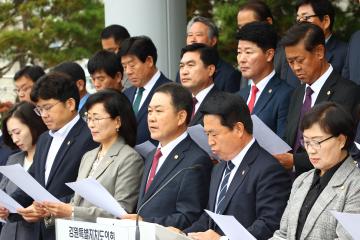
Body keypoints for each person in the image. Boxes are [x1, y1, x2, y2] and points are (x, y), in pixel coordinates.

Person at [180, 92, 291, 240]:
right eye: (207, 135)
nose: (210, 142)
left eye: (214, 134)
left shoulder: (269, 170)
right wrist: (181, 234)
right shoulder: (219, 169)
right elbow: (210, 219)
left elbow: (269, 224)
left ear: (238, 129)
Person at [2, 72, 98, 240]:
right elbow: (31, 181)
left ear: (70, 103)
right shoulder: (45, 138)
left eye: (47, 108)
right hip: (40, 232)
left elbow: (89, 192)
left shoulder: (89, 137)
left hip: (71, 231)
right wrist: (9, 205)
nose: (44, 115)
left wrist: (46, 207)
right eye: (39, 109)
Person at [37, 89, 143, 221]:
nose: (91, 124)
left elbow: (122, 212)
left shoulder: (129, 158)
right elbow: (76, 202)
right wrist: (51, 211)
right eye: (89, 118)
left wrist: (72, 211)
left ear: (117, 121)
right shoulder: (88, 156)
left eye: (97, 118)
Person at [122, 83, 212, 229]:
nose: (151, 118)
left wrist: (145, 223)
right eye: (149, 111)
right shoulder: (152, 155)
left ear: (181, 116)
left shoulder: (196, 161)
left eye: (158, 111)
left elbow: (189, 216)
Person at [275, 23, 360, 176]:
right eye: (290, 62)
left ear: (319, 52)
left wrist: (294, 161)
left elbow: (338, 150)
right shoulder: (297, 93)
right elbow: (290, 138)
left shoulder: (347, 92)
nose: (295, 68)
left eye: (300, 60)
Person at [271, 102, 360, 240]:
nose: (311, 150)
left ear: (341, 140)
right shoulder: (302, 180)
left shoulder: (355, 185)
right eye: (306, 142)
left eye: (317, 142)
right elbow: (282, 234)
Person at [0, 101, 47, 240]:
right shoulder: (13, 159)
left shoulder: (48, 157)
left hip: (35, 233)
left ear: (34, 125)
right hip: (8, 233)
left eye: (18, 132)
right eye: (10, 134)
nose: (15, 139)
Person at [237, 22, 293, 137]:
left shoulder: (286, 94)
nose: (242, 59)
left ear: (269, 55)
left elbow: (284, 143)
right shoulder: (239, 96)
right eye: (239, 52)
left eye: (248, 52)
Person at [119, 36, 171, 145]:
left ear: (149, 61)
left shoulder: (170, 91)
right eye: (124, 67)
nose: (128, 72)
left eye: (132, 65)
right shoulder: (126, 94)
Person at [176, 16, 241, 93]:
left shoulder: (229, 74)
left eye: (198, 35)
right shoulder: (182, 72)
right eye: (190, 35)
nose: (192, 40)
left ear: (213, 41)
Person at [179, 43, 220, 126]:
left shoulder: (222, 104)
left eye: (190, 65)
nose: (184, 72)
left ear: (210, 70)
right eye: (181, 66)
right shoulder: (180, 103)